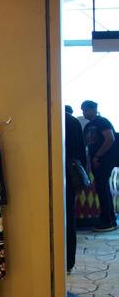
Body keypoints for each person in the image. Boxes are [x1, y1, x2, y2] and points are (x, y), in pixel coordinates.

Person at [82, 100, 118, 232]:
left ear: (94, 110)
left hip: (104, 160)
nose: (84, 113)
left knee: (103, 189)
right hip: (96, 161)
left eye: (87, 110)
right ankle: (110, 219)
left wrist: (97, 156)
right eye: (83, 110)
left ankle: (107, 221)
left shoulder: (102, 121)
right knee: (102, 189)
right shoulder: (88, 126)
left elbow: (110, 138)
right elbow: (87, 146)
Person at [66, 106, 88, 270]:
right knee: (69, 216)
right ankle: (68, 261)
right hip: (70, 173)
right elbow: (81, 153)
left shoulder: (44, 120)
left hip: (49, 172)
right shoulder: (73, 121)